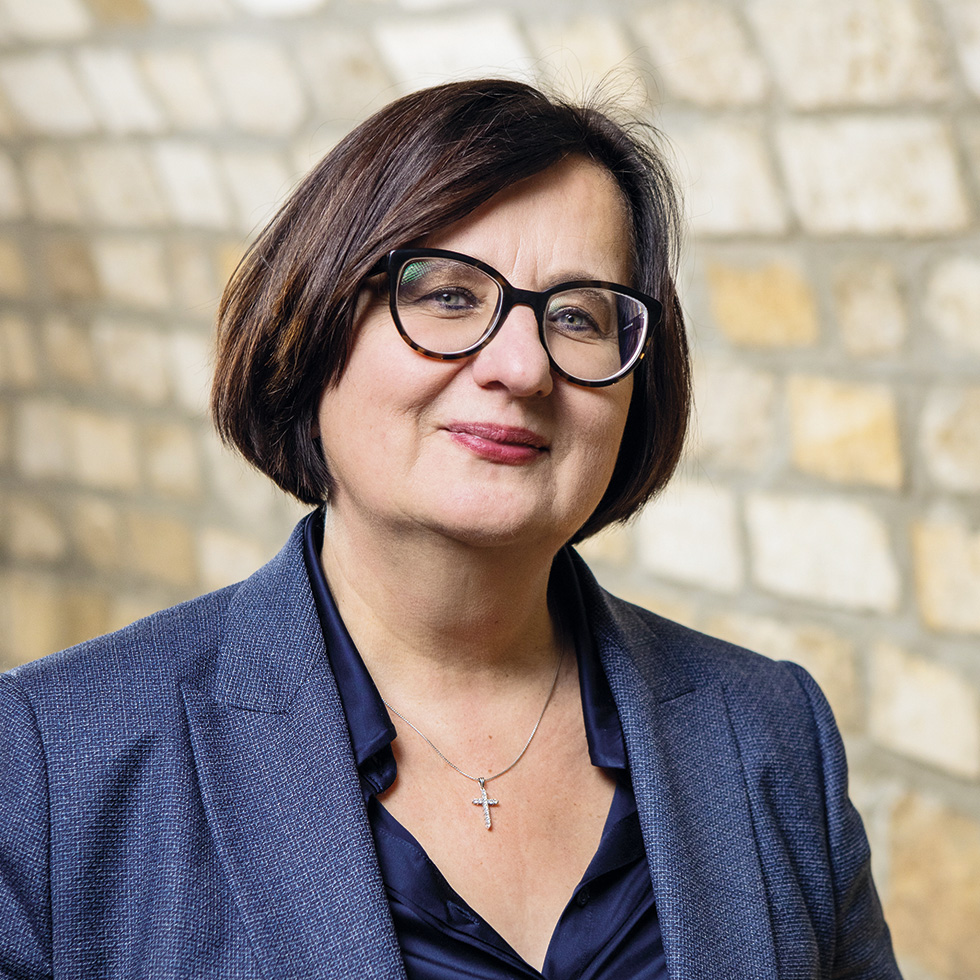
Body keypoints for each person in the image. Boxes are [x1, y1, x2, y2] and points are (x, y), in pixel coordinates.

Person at [0, 79, 901, 979]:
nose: (522, 367)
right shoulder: (47, 765)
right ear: (313, 325)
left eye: (577, 316)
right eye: (448, 296)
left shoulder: (774, 731)